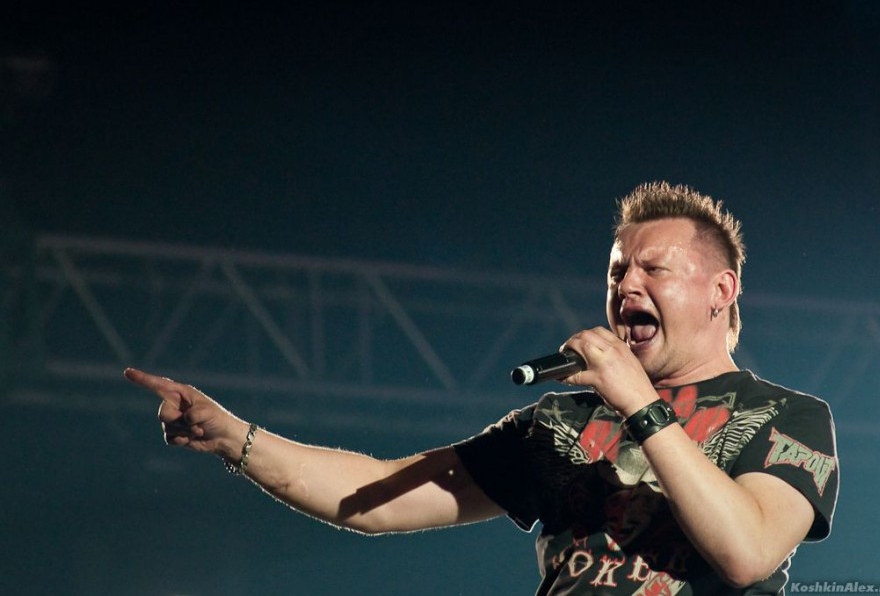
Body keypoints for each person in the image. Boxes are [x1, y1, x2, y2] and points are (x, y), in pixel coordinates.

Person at [125, 181, 838, 595]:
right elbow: (376, 495)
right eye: (617, 270)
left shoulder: (788, 416)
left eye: (654, 269)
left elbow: (747, 551)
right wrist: (236, 438)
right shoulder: (557, 424)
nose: (626, 285)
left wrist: (639, 406)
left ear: (721, 291)